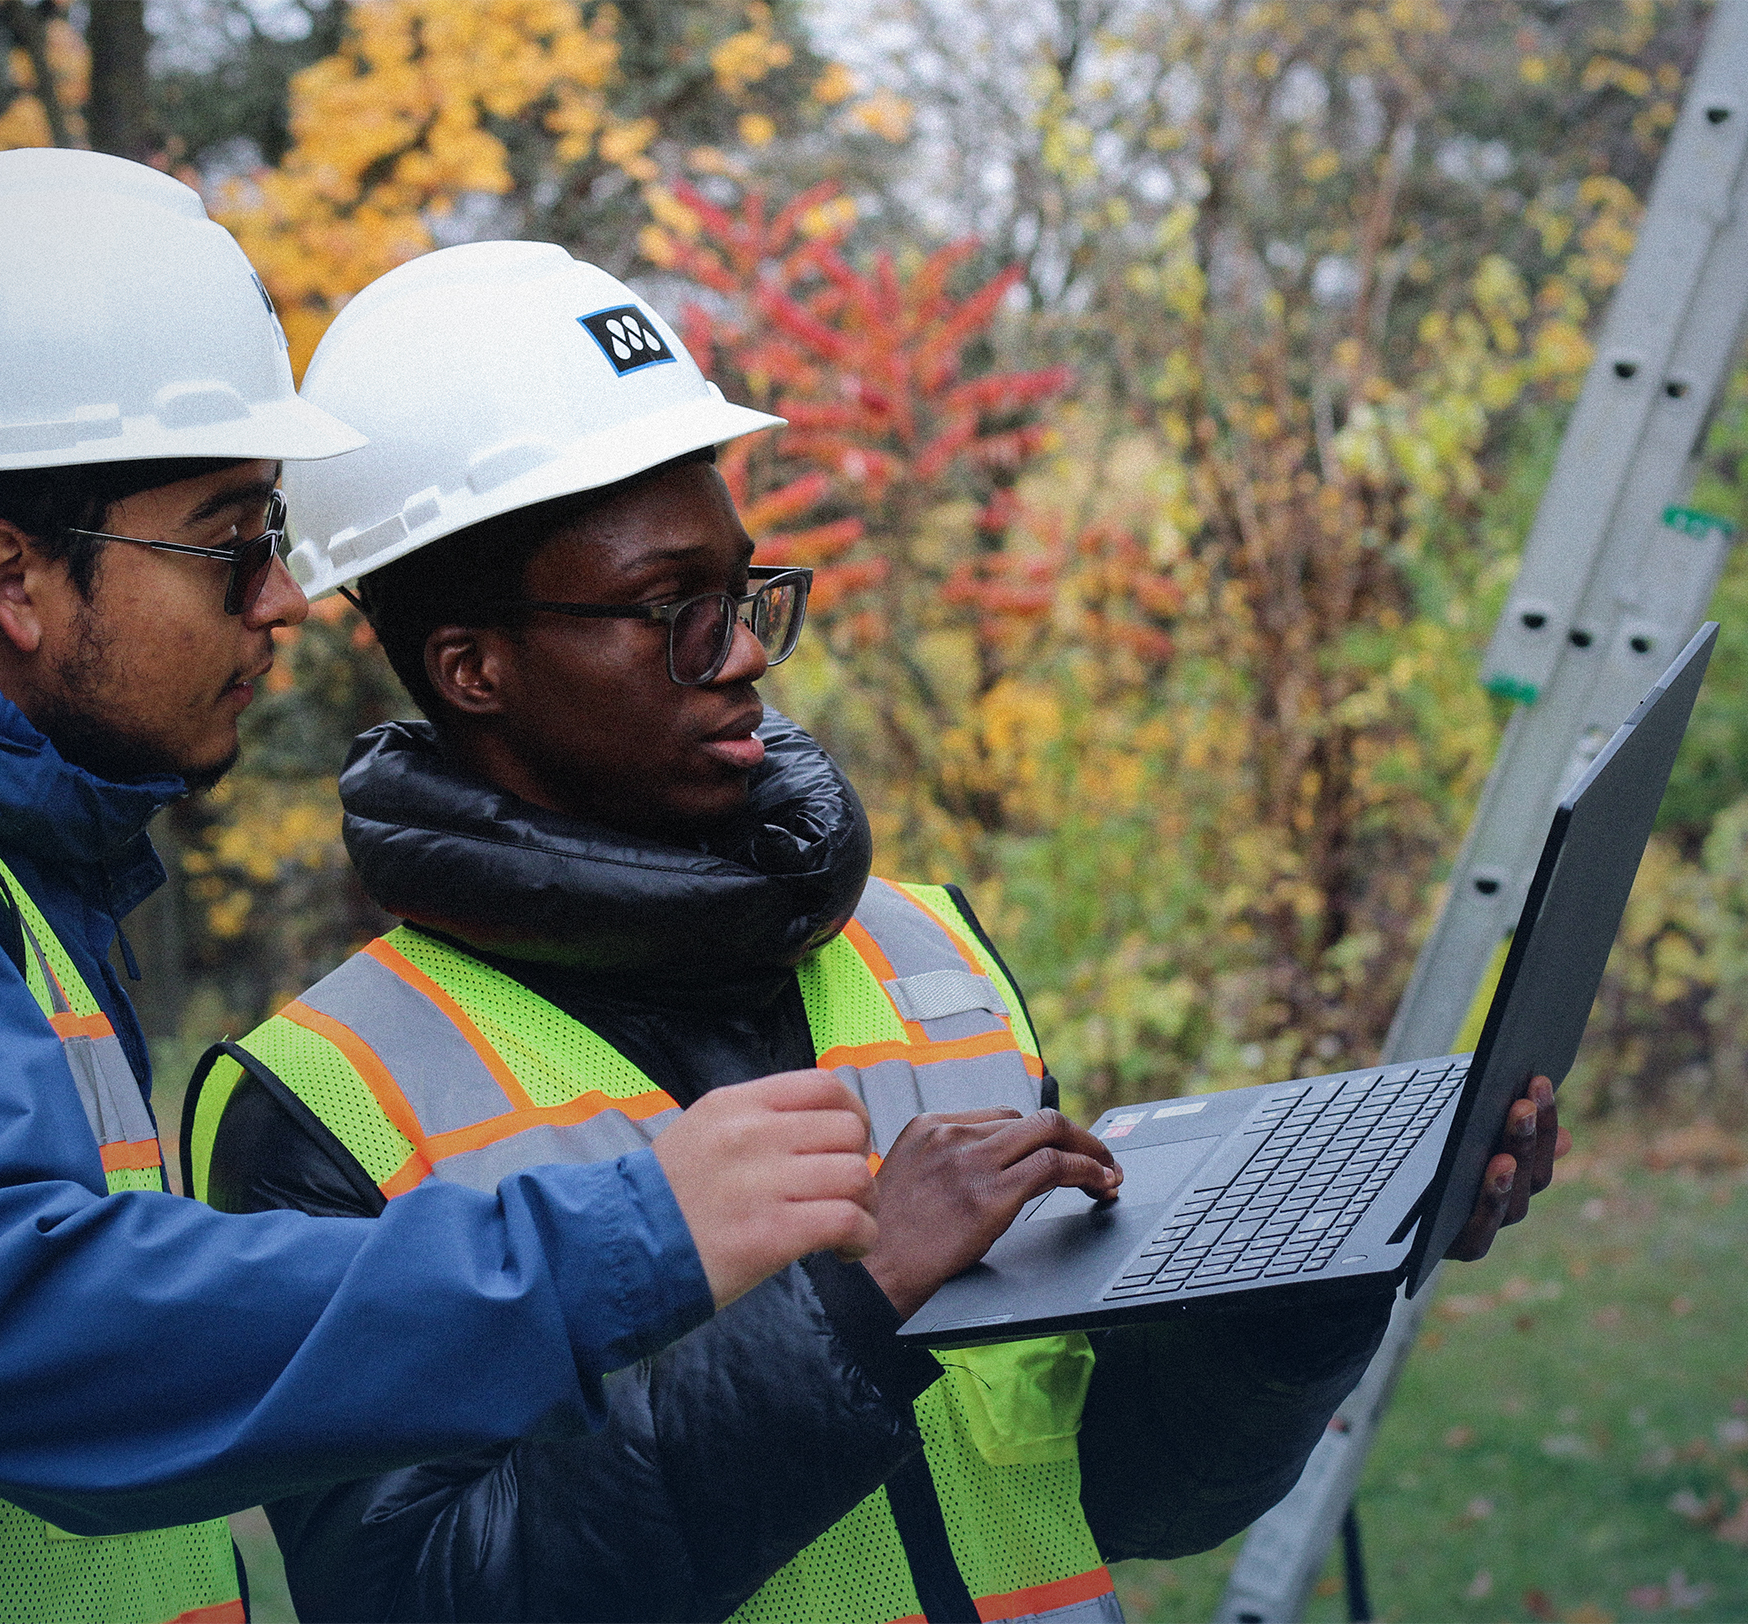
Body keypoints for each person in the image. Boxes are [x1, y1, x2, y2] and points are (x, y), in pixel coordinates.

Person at [0, 154, 891, 1624]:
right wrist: (629, 1241)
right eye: (232, 541)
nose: (283, 597)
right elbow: (18, 1334)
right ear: (15, 579)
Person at [185, 241, 1571, 1623]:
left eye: (742, 590)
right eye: (670, 609)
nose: (742, 653)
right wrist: (850, 1313)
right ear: (471, 667)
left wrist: (1315, 1272)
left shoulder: (932, 960)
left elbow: (1126, 1494)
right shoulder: (320, 1107)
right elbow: (422, 1597)